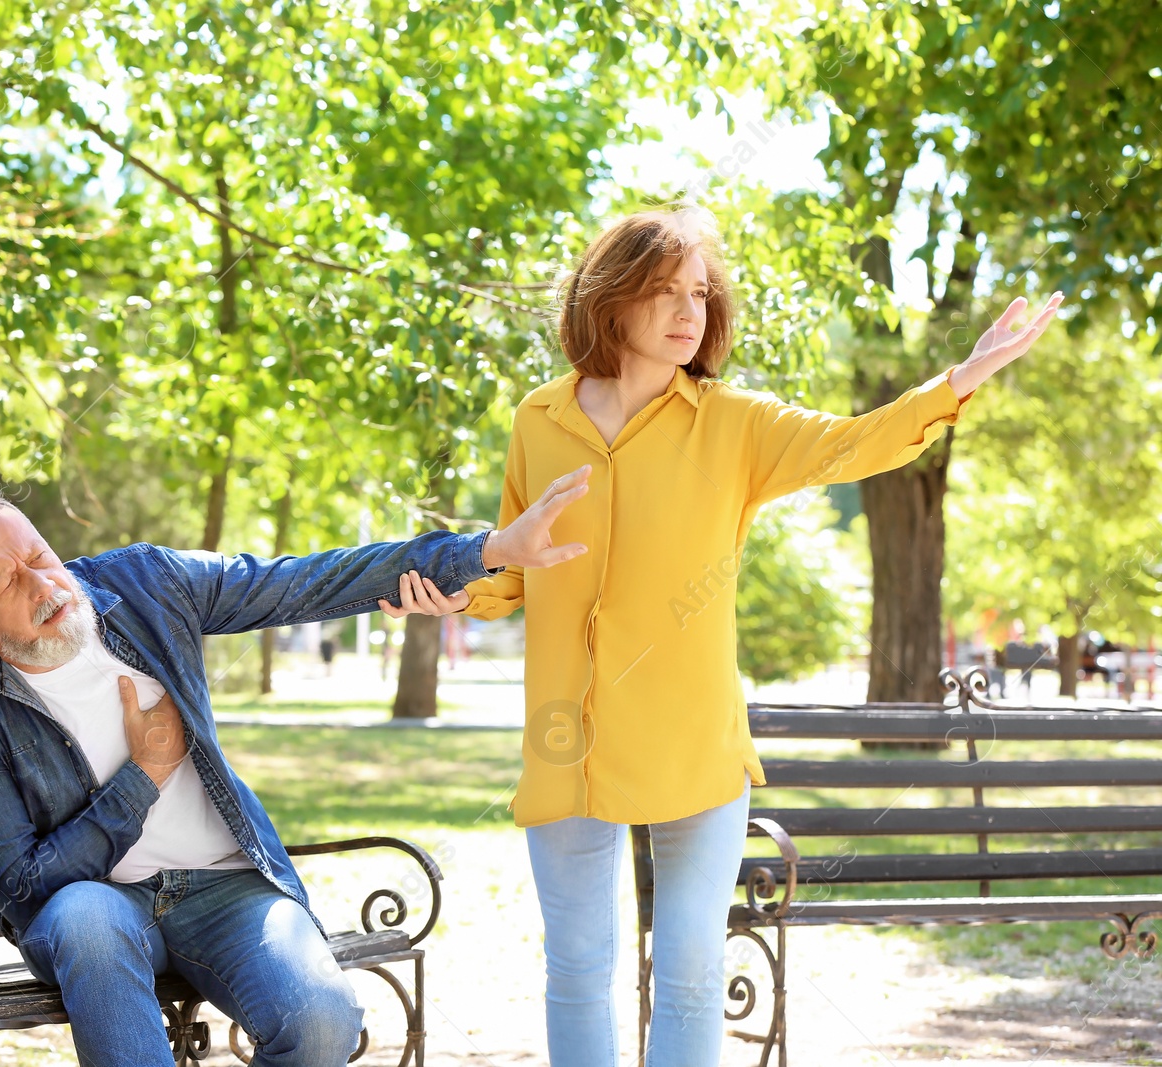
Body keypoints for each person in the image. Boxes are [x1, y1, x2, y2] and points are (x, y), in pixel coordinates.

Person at [396, 205, 1063, 1066]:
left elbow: (856, 443)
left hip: (696, 748)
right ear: (611, 300)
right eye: (665, 291)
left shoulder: (734, 422)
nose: (689, 311)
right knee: (576, 967)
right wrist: (462, 597)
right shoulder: (539, 417)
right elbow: (519, 565)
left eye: (701, 294)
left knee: (688, 973)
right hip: (568, 742)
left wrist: (965, 375)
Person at [0, 478, 588, 1067]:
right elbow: (22, 884)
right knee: (85, 918)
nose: (45, 585)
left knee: (322, 1020)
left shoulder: (146, 582)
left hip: (226, 887)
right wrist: (143, 777)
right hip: (98, 906)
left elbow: (304, 582)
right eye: (9, 582)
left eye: (39, 556)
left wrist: (488, 550)